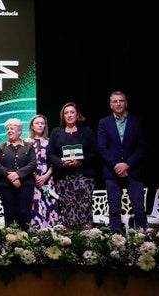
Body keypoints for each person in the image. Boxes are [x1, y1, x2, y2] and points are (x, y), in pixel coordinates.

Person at [97, 91, 147, 233]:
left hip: (134, 170)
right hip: (111, 172)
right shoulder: (104, 123)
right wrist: (116, 165)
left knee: (139, 209)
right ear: (111, 105)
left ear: (126, 103)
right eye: (115, 101)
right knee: (114, 210)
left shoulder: (136, 121)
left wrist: (127, 164)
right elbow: (102, 147)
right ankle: (116, 244)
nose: (118, 104)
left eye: (121, 101)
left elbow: (142, 146)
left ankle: (144, 242)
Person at [48, 102, 100, 231]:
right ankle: (71, 242)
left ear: (77, 115)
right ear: (63, 116)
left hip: (84, 176)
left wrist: (81, 161)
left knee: (84, 207)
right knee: (68, 208)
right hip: (64, 178)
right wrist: (61, 162)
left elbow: (94, 152)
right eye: (66, 113)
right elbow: (49, 153)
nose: (69, 115)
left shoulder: (86, 131)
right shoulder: (56, 132)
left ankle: (88, 241)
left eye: (72, 112)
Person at [0, 118, 37, 231]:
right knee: (9, 214)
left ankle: (24, 241)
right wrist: (10, 177)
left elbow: (33, 164)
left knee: (23, 214)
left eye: (12, 128)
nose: (9, 131)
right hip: (6, 186)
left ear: (20, 131)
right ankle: (10, 243)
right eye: (7, 129)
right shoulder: (1, 147)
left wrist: (17, 175)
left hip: (26, 185)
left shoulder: (29, 146)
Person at [26, 114, 60, 230]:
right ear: (32, 126)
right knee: (34, 205)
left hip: (48, 178)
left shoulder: (50, 141)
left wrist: (46, 176)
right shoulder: (26, 142)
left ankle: (51, 232)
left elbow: (54, 161)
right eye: (37, 123)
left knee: (49, 202)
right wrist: (36, 176)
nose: (40, 125)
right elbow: (25, 162)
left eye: (42, 123)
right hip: (32, 178)